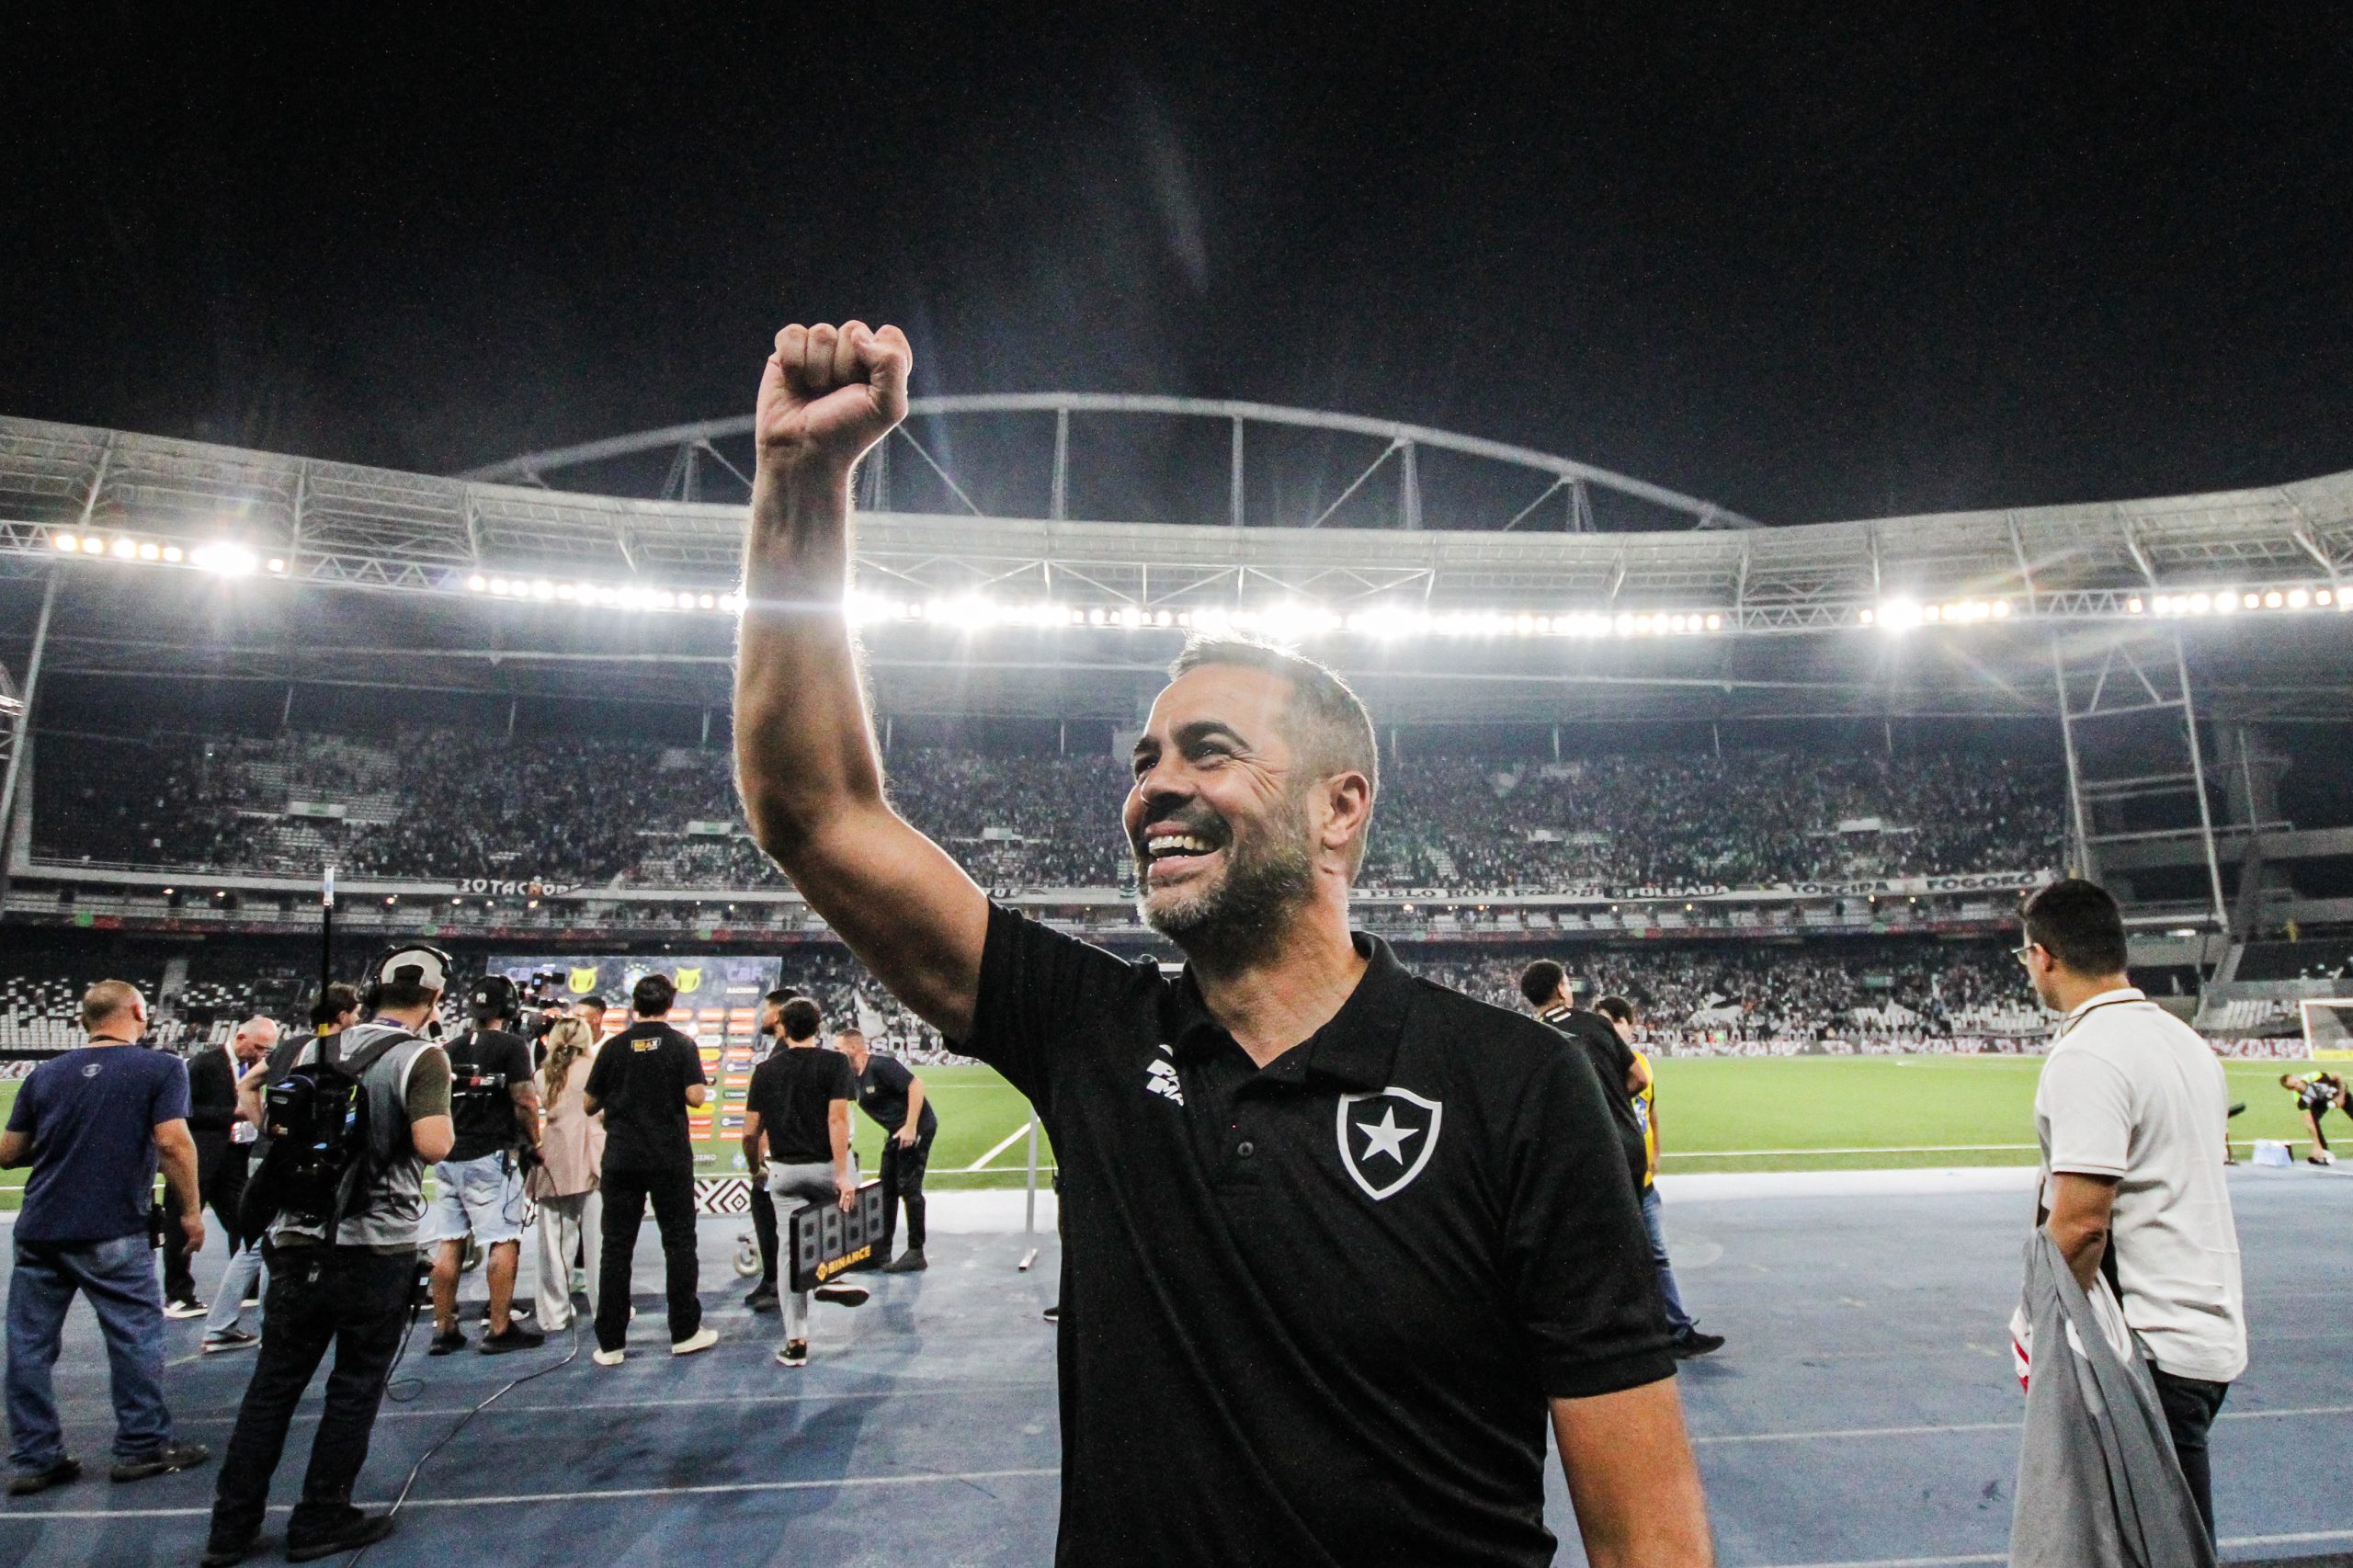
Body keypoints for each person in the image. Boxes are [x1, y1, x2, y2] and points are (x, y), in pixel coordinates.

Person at [733, 319, 1710, 1566]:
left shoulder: (1516, 1088)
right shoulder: (1091, 1032)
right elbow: (814, 809)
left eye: (1208, 751)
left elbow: (1651, 1535)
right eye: (1144, 760)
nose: (1153, 789)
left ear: (1339, 807)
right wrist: (802, 484)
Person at [204, 946, 455, 1566]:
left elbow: (248, 1101)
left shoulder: (297, 1047)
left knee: (272, 1387)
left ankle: (229, 1528)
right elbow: (433, 1145)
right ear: (434, 1000)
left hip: (293, 1239)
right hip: (373, 1245)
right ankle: (320, 1516)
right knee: (354, 1385)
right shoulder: (421, 1056)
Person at [2018, 878, 2245, 1549]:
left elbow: (2084, 1219)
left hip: (2144, 1348)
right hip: (2201, 1329)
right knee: (2171, 1540)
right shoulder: (2184, 1043)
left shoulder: (2089, 1050)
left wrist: (2040, 1322)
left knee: (2138, 1549)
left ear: (2043, 956)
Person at [3, 980, 211, 1495]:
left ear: (83, 1019)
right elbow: (173, 1143)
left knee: (28, 1347)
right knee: (134, 1336)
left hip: (41, 1226)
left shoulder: (45, 1074)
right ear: (140, 1012)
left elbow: (8, 1152)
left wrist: (67, 1143)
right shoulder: (162, 1067)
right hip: (111, 1225)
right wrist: (190, 1211)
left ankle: (34, 1457)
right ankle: (141, 1447)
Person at [582, 972, 718, 1365]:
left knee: (616, 1247)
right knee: (678, 1243)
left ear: (633, 1004)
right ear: (669, 1005)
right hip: (668, 1157)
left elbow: (589, 1105)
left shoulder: (613, 1048)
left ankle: (610, 1343)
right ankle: (685, 1332)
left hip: (622, 1158)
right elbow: (695, 1097)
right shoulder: (681, 1044)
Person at [742, 998, 870, 1367]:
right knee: (847, 1219)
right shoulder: (834, 1063)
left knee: (786, 1254)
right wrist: (843, 1175)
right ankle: (831, 1273)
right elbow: (838, 1121)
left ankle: (795, 1343)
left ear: (781, 1024)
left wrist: (756, 1169)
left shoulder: (765, 1070)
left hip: (784, 1170)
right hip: (826, 1166)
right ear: (818, 1026)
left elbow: (750, 1133)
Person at [1595, 995, 1723, 1359]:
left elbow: (1651, 1113)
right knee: (1611, 1258)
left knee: (1658, 1255)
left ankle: (1678, 1329)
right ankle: (1618, 1334)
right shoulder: (1598, 1066)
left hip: (1644, 1182)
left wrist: (1656, 1153)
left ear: (1629, 1024)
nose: (1610, 1030)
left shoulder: (1642, 1065)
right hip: (1613, 1180)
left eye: (1615, 1022)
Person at [422, 974, 544, 1355]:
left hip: (451, 1155)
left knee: (450, 1241)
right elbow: (524, 1100)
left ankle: (444, 1327)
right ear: (508, 1008)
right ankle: (499, 1327)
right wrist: (535, 1142)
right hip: (491, 1155)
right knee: (503, 1239)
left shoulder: (451, 1046)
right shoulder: (512, 1045)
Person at [1518, 960, 1654, 1211]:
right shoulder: (1597, 1023)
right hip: (1628, 1146)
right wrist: (1611, 1099)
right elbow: (1640, 1078)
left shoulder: (1532, 1036)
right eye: (1568, 984)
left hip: (1585, 1155)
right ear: (1560, 989)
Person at [192, 1017, 281, 1355]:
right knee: (272, 1240)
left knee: (255, 1243)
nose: (261, 1054)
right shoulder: (304, 1050)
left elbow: (247, 1087)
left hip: (257, 1154)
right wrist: (266, 1127)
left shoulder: (283, 1052)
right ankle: (270, 1327)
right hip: (276, 1154)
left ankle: (221, 1327)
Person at [529, 1014, 605, 1333]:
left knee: (554, 1243)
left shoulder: (541, 1074)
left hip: (555, 1157)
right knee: (603, 1242)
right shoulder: (596, 1069)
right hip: (595, 1157)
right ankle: (608, 1308)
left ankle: (553, 1315)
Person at [840, 1026, 936, 1272]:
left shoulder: (881, 1066)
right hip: (895, 1133)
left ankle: (916, 1251)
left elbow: (916, 1086)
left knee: (909, 1187)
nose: (835, 1054)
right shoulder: (853, 1078)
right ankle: (881, 1253)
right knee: (886, 1189)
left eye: (838, 1049)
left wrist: (911, 1127)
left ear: (853, 1048)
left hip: (916, 1128)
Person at [743, 987, 797, 1311]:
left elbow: (757, 1125)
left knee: (768, 1213)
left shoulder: (774, 1061)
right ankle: (781, 1280)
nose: (761, 1016)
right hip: (804, 1154)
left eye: (765, 1010)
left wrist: (758, 1165)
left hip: (778, 1157)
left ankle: (775, 1281)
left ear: (777, 1015)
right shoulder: (806, 1054)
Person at [2279, 1069, 2344, 1164]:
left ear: (2297, 1077)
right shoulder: (2299, 1099)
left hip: (2339, 1093)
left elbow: (2338, 1075)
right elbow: (2308, 1121)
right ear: (2291, 1090)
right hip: (2322, 1100)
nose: (2298, 1085)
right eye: (2294, 1086)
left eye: (2296, 1082)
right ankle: (2323, 1151)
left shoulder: (2314, 1076)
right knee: (2313, 1121)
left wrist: (2340, 1097)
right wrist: (2316, 1145)